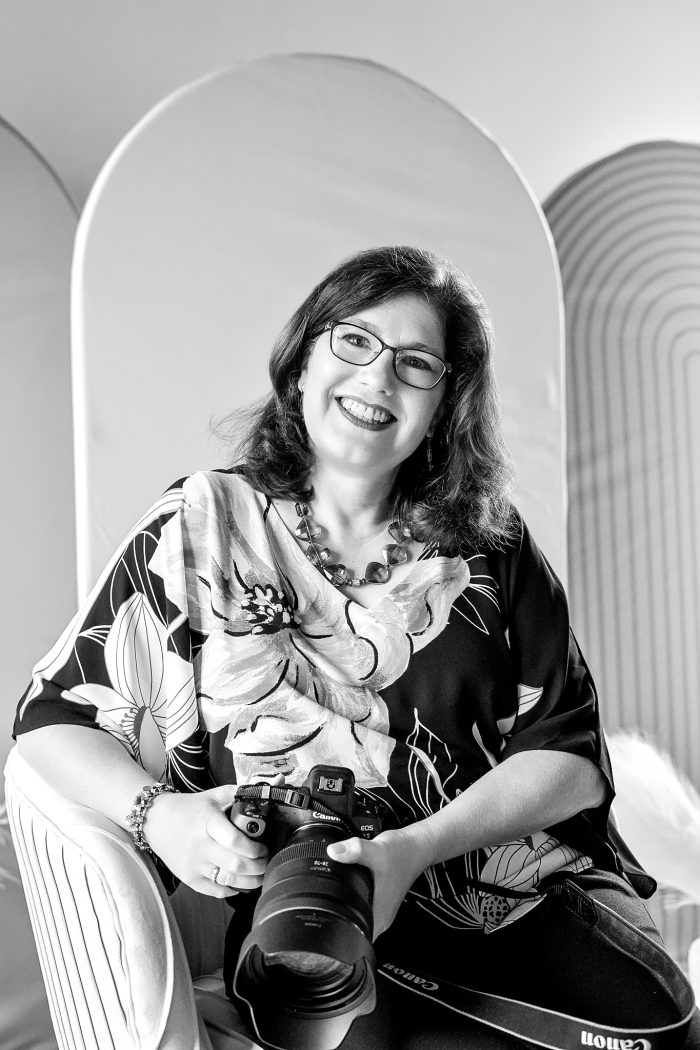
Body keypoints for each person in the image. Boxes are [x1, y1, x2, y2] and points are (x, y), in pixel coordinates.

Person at [13, 245, 699, 1049]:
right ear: (302, 362)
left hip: (509, 895)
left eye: (416, 364)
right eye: (354, 341)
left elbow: (569, 755)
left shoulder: (492, 543)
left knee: (663, 1031)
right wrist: (157, 814)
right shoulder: (201, 524)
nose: (378, 378)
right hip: (311, 916)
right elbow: (51, 718)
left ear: (443, 406)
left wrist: (413, 850)